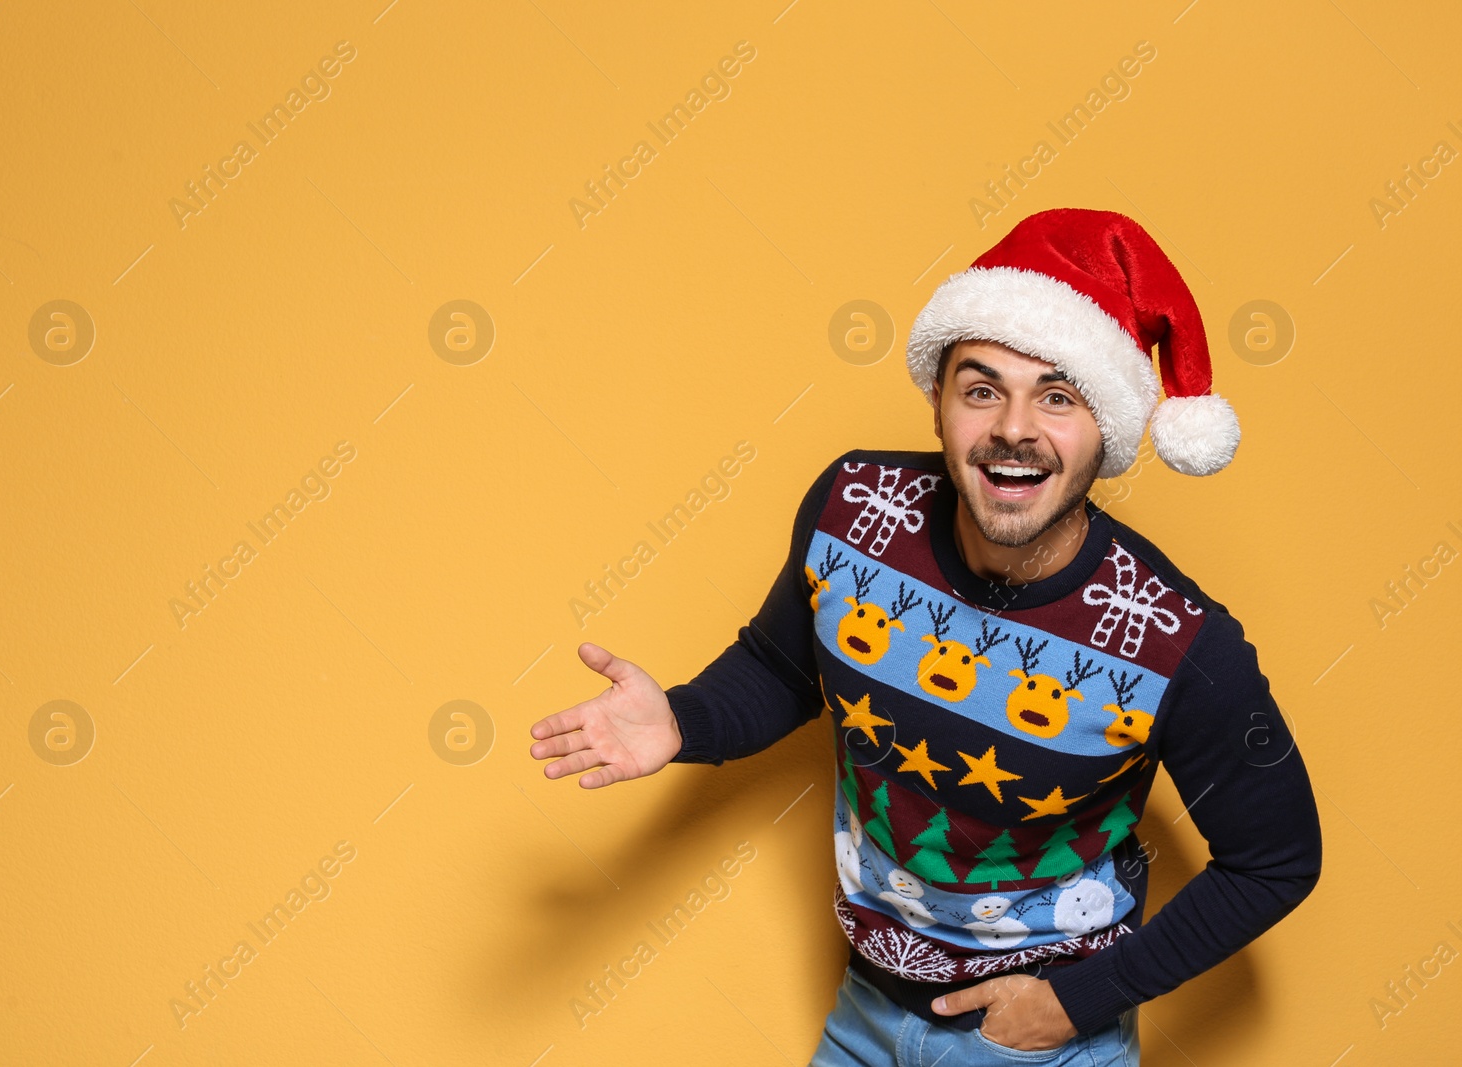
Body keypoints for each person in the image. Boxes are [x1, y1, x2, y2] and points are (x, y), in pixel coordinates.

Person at [528, 208, 1322, 1066]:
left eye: (1058, 397)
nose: (1014, 427)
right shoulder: (855, 508)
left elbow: (1275, 859)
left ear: (1109, 431)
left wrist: (1076, 1002)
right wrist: (684, 722)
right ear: (938, 405)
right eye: (982, 388)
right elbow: (783, 665)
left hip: (1035, 1045)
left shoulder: (1176, 640)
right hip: (868, 1008)